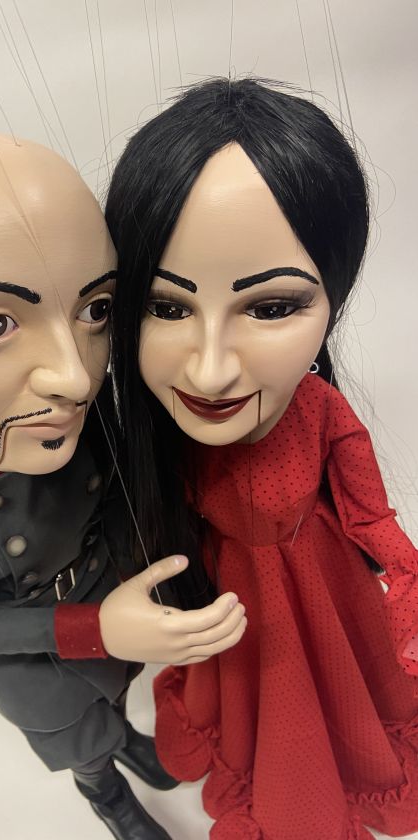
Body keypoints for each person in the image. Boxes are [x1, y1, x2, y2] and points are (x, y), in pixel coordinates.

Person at [0, 133, 247, 840]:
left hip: (114, 618)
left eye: (95, 311)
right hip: (38, 669)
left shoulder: (91, 430)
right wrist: (90, 628)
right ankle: (108, 797)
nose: (75, 376)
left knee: (115, 699)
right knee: (81, 742)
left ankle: (127, 741)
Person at [106, 78, 418, 839]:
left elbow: (369, 515)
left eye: (272, 307)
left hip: (325, 589)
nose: (212, 371)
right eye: (167, 306)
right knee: (257, 711)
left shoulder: (321, 413)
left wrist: (407, 581)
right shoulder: (156, 438)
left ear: (333, 302)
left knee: (337, 701)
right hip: (229, 602)